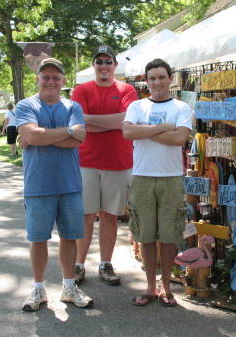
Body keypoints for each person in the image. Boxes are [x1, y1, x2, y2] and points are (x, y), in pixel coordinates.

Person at [16, 57, 93, 312]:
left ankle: (69, 287)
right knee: (38, 240)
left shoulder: (73, 106)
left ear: (63, 81)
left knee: (70, 237)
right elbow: (30, 135)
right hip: (38, 185)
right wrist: (64, 132)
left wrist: (40, 136)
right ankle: (38, 289)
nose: (50, 81)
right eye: (45, 76)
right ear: (38, 79)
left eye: (55, 77)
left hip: (70, 184)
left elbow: (78, 137)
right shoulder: (26, 105)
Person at [122, 58, 192, 307]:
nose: (157, 82)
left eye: (162, 77)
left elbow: (179, 139)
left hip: (171, 177)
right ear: (146, 81)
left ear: (170, 79)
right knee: (146, 236)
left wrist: (146, 130)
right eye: (152, 78)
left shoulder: (182, 107)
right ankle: (150, 288)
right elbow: (128, 132)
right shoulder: (137, 106)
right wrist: (162, 127)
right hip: (142, 176)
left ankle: (166, 288)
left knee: (169, 236)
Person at [71, 45, 138, 286]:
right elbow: (77, 121)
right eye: (99, 61)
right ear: (94, 65)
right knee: (86, 216)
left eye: (108, 61)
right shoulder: (82, 89)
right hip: (86, 161)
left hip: (118, 163)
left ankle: (105, 264)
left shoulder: (126, 89)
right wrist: (110, 123)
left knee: (109, 216)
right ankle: (78, 265)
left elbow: (125, 121)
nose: (103, 66)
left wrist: (91, 120)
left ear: (115, 65)